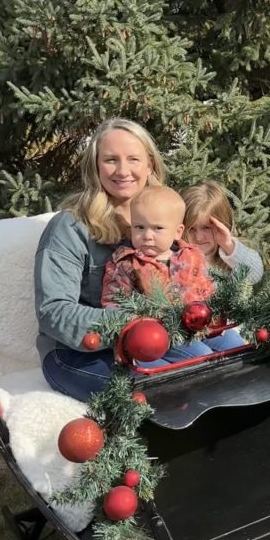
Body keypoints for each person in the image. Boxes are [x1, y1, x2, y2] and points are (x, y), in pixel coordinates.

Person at [35, 117, 164, 401]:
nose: (123, 171)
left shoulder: (164, 216)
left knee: (211, 371)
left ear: (150, 165)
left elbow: (207, 269)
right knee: (157, 393)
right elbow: (52, 311)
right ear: (95, 167)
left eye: (133, 159)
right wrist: (134, 323)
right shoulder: (69, 227)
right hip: (77, 353)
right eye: (110, 160)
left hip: (152, 341)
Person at [101, 184, 246, 361]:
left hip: (198, 323)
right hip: (163, 333)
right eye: (139, 227)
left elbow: (205, 287)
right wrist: (128, 331)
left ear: (177, 232)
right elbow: (113, 302)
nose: (147, 235)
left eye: (157, 228)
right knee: (202, 356)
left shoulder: (191, 255)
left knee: (236, 344)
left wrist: (214, 315)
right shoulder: (126, 264)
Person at [181, 180, 264, 283]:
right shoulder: (176, 256)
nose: (199, 237)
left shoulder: (229, 258)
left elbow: (255, 275)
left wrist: (228, 245)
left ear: (222, 225)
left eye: (206, 228)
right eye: (191, 229)